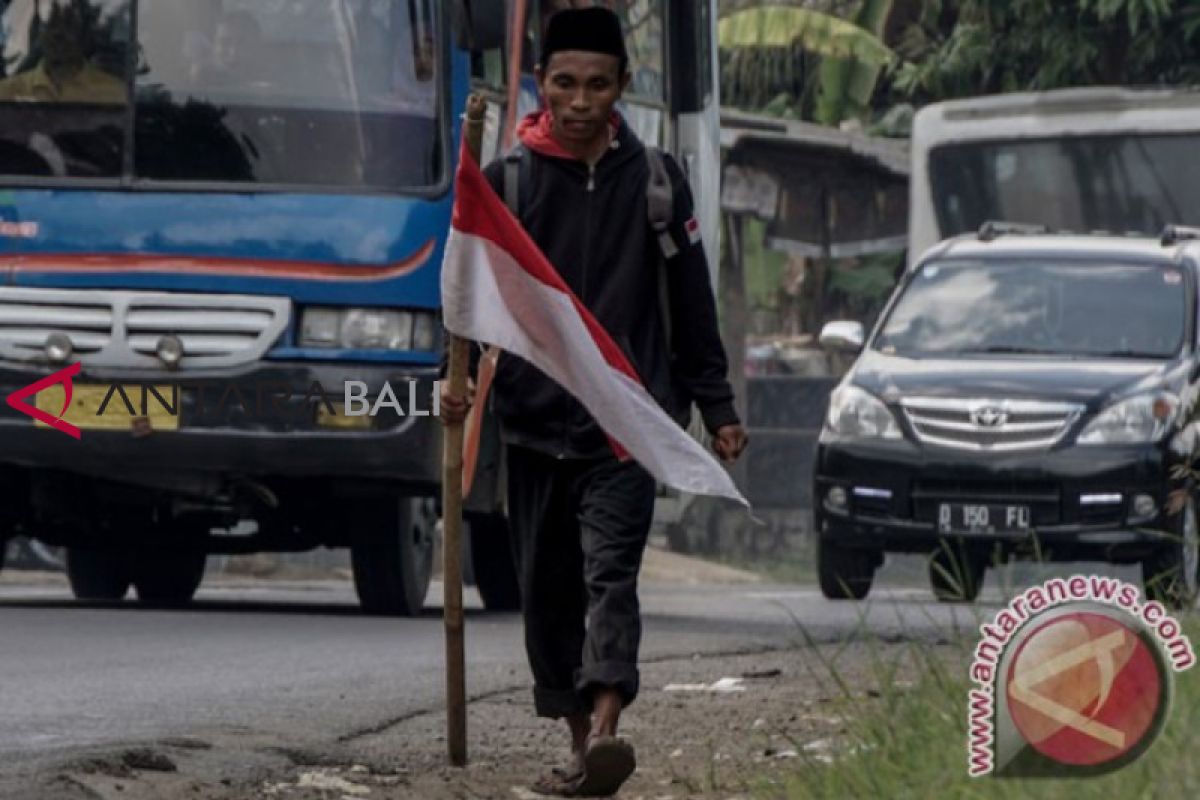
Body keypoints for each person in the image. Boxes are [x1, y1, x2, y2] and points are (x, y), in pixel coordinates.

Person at [441, 7, 747, 797]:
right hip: (535, 422)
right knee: (547, 595)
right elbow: (472, 295)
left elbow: (691, 299)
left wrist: (716, 407)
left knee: (610, 575)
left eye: (599, 85)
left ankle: (609, 722)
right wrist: (460, 375)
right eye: (567, 84)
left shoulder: (655, 182)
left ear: (623, 87)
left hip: (627, 422)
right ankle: (583, 747)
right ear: (543, 85)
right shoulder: (509, 179)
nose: (581, 101)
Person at [0, 1, 125, 104]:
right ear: (37, 33)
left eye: (68, 23)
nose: (57, 33)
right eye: (50, 23)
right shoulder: (6, 93)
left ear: (85, 33)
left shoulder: (114, 93)